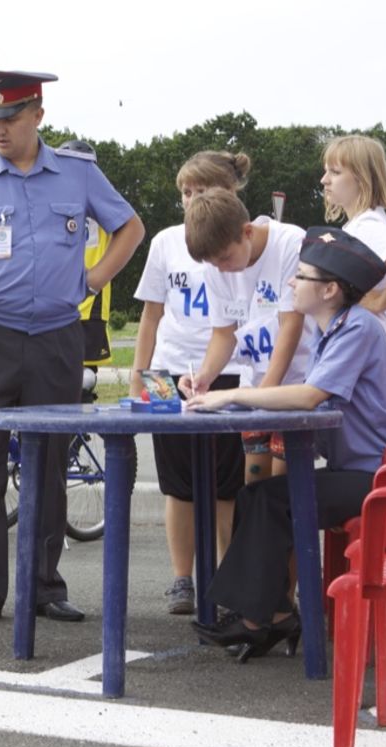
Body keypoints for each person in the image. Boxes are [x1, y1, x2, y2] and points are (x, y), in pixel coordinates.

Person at [0, 70, 145, 628]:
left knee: (47, 462)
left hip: (55, 335)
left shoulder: (77, 173)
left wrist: (91, 282)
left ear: (37, 115)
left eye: (9, 118)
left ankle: (44, 586)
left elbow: (130, 228)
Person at [187, 227, 386, 660]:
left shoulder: (357, 329)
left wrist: (232, 395)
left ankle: (259, 621)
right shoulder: (335, 330)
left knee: (274, 500)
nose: (291, 282)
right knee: (256, 496)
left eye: (301, 276)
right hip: (366, 471)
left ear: (328, 290)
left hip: (385, 479)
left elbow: (310, 396)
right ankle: (271, 615)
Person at [130, 151, 250, 615]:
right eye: (185, 192)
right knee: (176, 483)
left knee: (227, 483)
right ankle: (182, 579)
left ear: (229, 193)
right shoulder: (165, 243)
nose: (191, 200)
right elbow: (151, 313)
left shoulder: (241, 240)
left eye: (202, 191)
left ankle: (227, 577)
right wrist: (141, 376)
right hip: (169, 368)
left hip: (227, 368)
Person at [178, 188, 315, 485]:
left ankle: (283, 532)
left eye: (225, 258)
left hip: (295, 385)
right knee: (254, 478)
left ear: (247, 231)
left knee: (284, 482)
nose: (222, 269)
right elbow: (224, 333)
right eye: (214, 264)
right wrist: (204, 376)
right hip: (255, 385)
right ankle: (256, 531)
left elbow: (291, 325)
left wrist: (262, 396)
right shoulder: (217, 267)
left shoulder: (291, 243)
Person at [321, 134, 386, 376]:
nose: (324, 180)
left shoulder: (366, 225)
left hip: (375, 357)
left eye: (335, 172)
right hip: (373, 353)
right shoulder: (361, 224)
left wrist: (380, 302)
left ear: (361, 179)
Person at [60, 140, 113, 376]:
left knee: (85, 379)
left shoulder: (101, 203)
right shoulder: (53, 203)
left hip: (90, 303)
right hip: (56, 304)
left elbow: (129, 231)